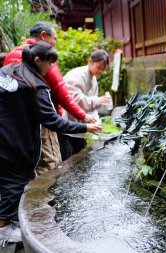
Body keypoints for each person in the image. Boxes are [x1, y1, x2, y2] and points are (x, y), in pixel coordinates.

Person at [0, 41, 102, 243]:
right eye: (50, 64)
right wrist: (85, 127)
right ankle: (3, 228)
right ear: (38, 61)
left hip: (5, 133)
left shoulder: (8, 70)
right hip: (13, 140)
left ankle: (8, 220)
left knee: (7, 177)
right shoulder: (36, 86)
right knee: (17, 179)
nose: (50, 69)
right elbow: (53, 121)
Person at [3, 21, 97, 175]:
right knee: (50, 165)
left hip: (14, 124)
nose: (55, 42)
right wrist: (83, 117)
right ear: (43, 36)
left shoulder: (12, 56)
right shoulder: (44, 61)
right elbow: (61, 93)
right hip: (42, 122)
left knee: (22, 166)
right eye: (54, 38)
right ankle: (44, 199)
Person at [58, 50, 111, 160]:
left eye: (103, 68)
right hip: (67, 125)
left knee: (79, 158)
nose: (101, 71)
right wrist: (98, 100)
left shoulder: (93, 78)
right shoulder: (77, 75)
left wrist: (96, 122)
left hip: (79, 126)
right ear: (90, 61)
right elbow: (76, 101)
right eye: (98, 67)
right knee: (67, 161)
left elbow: (91, 106)